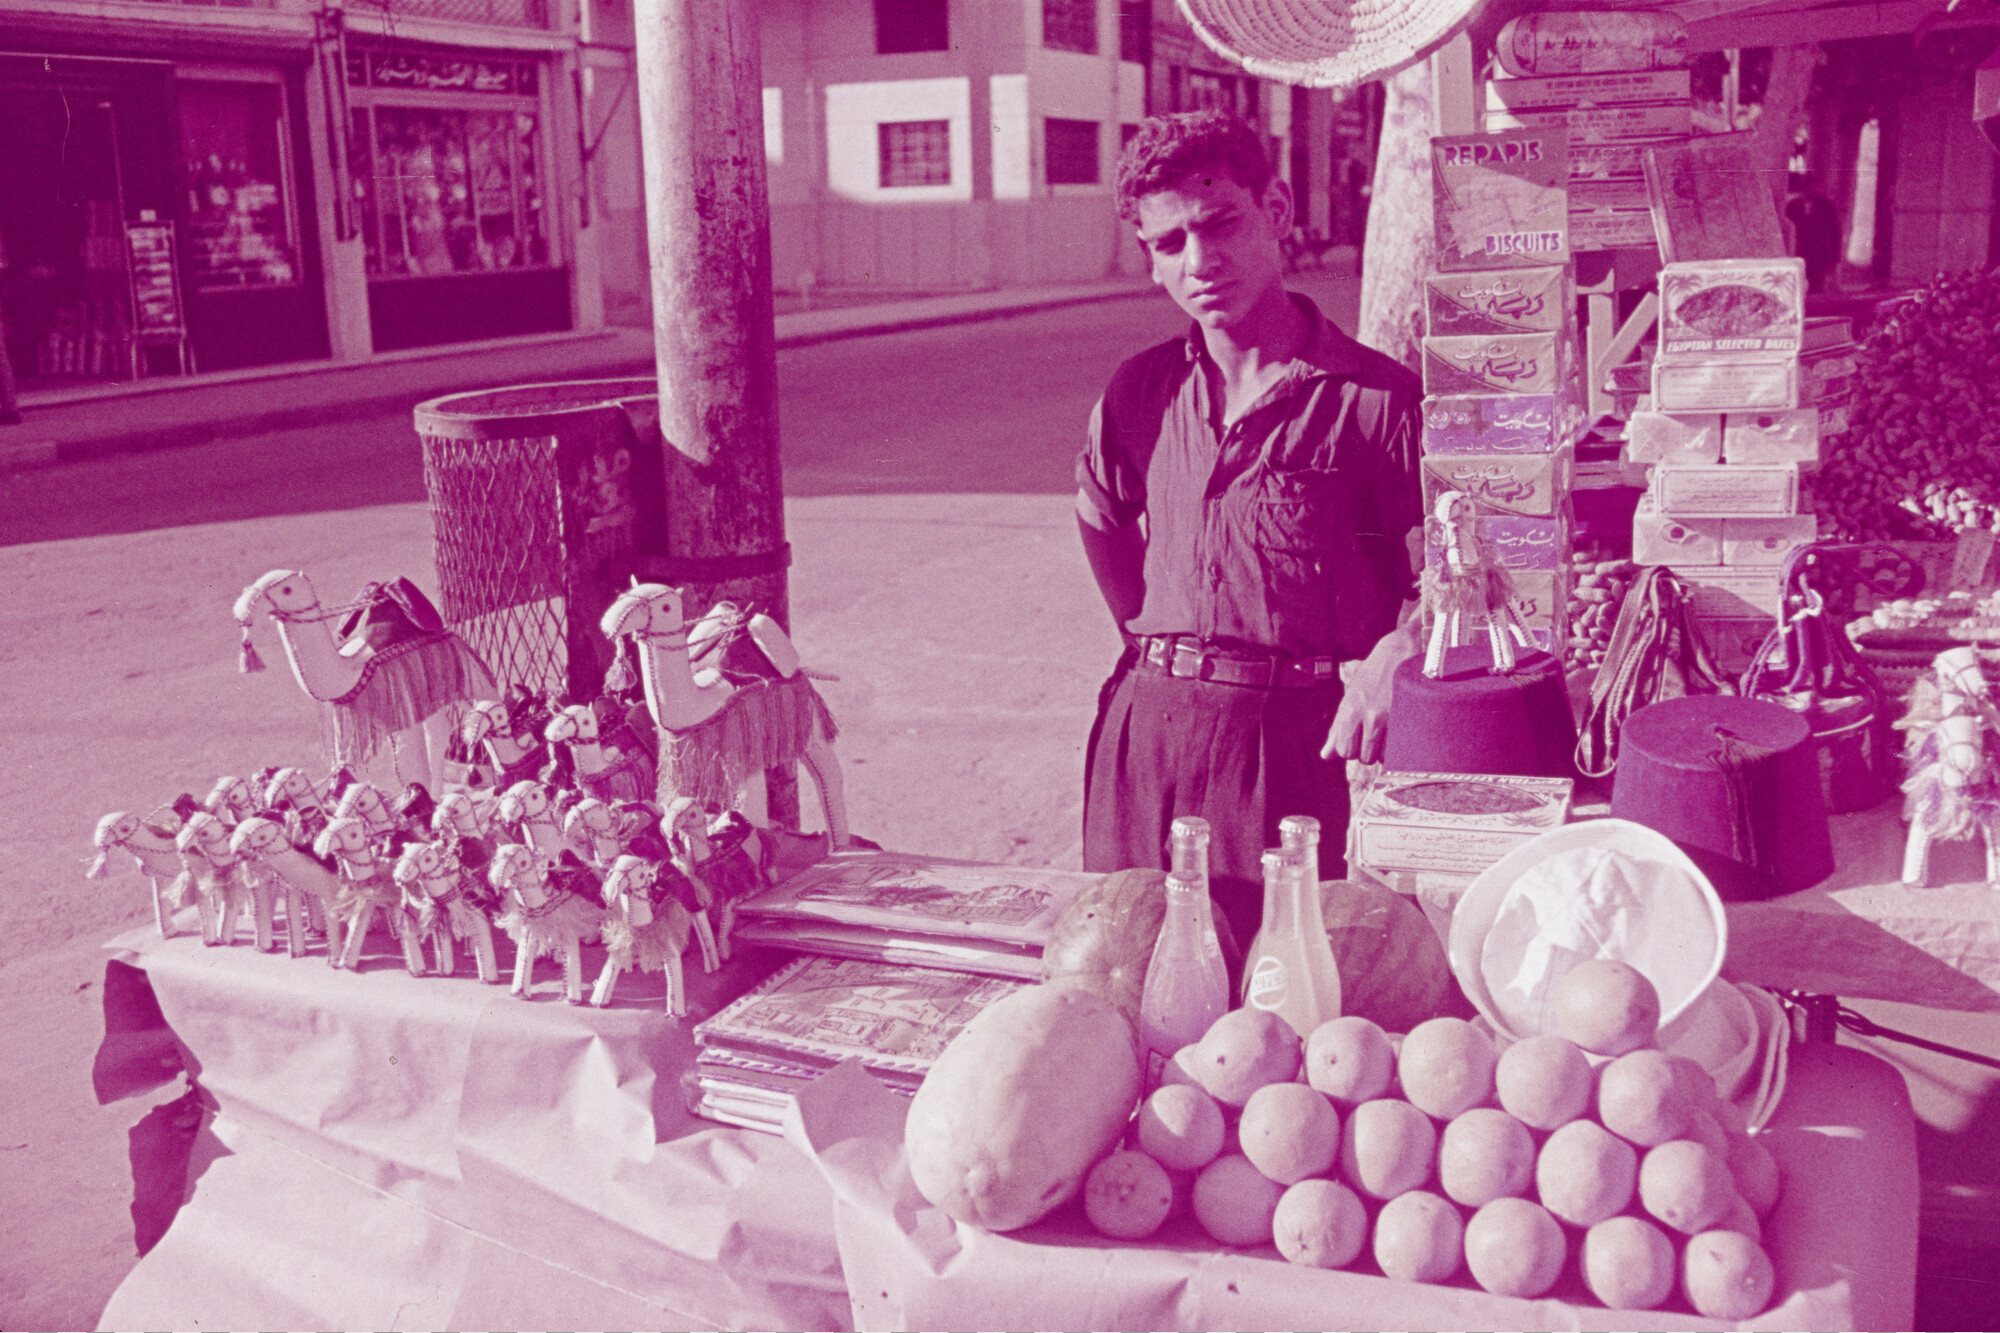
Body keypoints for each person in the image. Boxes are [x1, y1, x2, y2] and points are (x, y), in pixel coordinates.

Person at [1076, 110, 1424, 946]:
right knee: (1125, 968)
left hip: (1293, 743)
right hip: (1146, 736)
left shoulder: (1375, 399)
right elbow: (1099, 513)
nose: (1200, 260)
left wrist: (1393, 655)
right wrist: (1146, 635)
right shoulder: (1139, 391)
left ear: (1277, 210)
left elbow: (1449, 576)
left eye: (1219, 223)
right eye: (1168, 243)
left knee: (1287, 999)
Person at [1784, 173, 1840, 295]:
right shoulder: (1793, 205)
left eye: (1816, 187)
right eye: (1809, 186)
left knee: (1816, 288)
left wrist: (1835, 258)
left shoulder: (1827, 206)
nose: (1813, 190)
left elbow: (1835, 233)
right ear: (1804, 188)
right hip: (1798, 253)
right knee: (1797, 286)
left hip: (1818, 254)